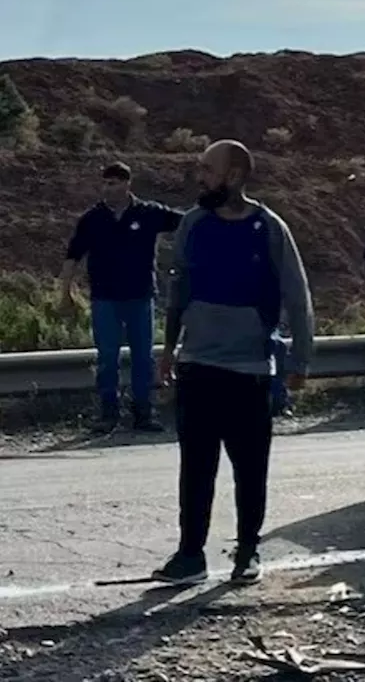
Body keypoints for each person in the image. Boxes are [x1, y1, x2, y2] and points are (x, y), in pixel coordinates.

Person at [153, 140, 314, 586]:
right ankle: (190, 556)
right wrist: (168, 350)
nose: (199, 176)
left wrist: (301, 359)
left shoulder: (269, 228)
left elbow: (297, 298)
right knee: (196, 467)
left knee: (250, 467)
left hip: (250, 371)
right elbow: (177, 291)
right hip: (198, 365)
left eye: (208, 169)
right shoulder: (193, 224)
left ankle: (247, 552)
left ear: (235, 176)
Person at [59, 161, 185, 433]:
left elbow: (185, 222)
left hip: (140, 296)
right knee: (107, 357)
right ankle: (108, 413)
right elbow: (73, 256)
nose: (108, 188)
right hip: (105, 298)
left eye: (113, 183)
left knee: (143, 357)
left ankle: (143, 413)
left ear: (127, 184)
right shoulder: (92, 219)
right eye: (105, 183)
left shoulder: (149, 212)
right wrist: (65, 291)